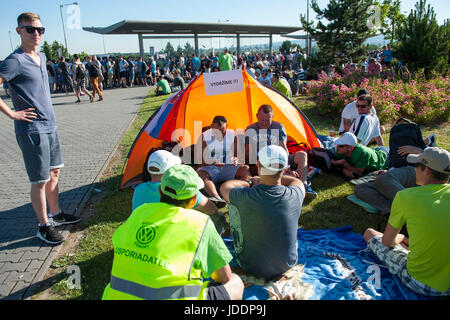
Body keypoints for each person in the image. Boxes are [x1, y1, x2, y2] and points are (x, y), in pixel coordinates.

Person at [103, 164, 244, 300]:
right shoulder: (200, 223)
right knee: (235, 283)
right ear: (194, 199)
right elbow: (224, 276)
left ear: (160, 192)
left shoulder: (140, 212)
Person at [0, 12, 80, 245]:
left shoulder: (42, 57)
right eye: (30, 29)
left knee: (55, 172)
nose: (36, 34)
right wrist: (13, 113)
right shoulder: (14, 61)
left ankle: (55, 215)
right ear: (19, 31)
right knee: (39, 180)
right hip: (31, 129)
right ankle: (43, 226)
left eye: (40, 30)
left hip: (50, 125)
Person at [363, 147, 450, 297]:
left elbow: (388, 242)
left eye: (416, 165)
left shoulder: (405, 197)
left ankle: (406, 242)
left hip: (422, 281)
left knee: (370, 233)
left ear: (427, 171)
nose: (414, 169)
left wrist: (401, 238)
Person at [220, 145, 305, 280]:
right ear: (285, 168)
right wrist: (273, 177)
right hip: (287, 265)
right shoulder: (296, 193)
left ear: (258, 164)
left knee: (233, 205)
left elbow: (225, 187)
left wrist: (249, 181)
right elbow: (296, 181)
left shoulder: (245, 196)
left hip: (250, 266)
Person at [132, 149, 226, 234]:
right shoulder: (183, 189)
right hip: (173, 235)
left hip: (143, 233)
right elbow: (211, 209)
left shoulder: (138, 189)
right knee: (218, 217)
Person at [196, 116, 252, 204]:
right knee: (201, 173)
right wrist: (213, 162)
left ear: (227, 126)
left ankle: (247, 193)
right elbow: (200, 161)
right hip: (211, 168)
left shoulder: (233, 135)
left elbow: (239, 156)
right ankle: (216, 198)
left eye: (223, 131)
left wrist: (235, 159)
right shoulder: (204, 136)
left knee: (245, 169)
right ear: (211, 127)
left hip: (228, 166)